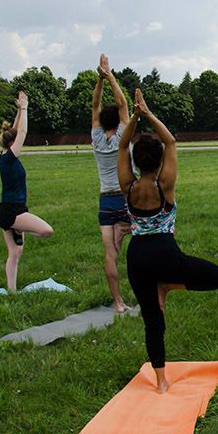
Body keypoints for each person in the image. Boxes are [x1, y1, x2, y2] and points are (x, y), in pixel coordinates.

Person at [118, 88, 218, 393]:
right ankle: (168, 284)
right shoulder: (165, 185)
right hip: (166, 255)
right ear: (159, 161)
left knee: (153, 321)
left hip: (137, 256)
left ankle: (162, 382)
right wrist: (149, 113)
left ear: (138, 161)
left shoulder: (127, 185)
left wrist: (136, 117)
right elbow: (171, 141)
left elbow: (124, 142)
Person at [0, 92, 54, 292]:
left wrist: (19, 109)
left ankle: (11, 291)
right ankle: (21, 228)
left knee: (15, 253)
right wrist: (25, 107)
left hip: (10, 209)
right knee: (46, 231)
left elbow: (14, 130)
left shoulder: (3, 155)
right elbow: (21, 132)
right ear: (13, 145)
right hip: (12, 211)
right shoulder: (10, 157)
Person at [92, 54, 131, 312]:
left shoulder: (96, 137)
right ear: (117, 120)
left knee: (110, 255)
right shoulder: (122, 135)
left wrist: (99, 80)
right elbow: (123, 102)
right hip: (126, 198)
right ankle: (125, 230)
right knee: (146, 231)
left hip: (105, 200)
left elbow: (95, 105)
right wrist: (110, 75)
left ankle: (117, 303)